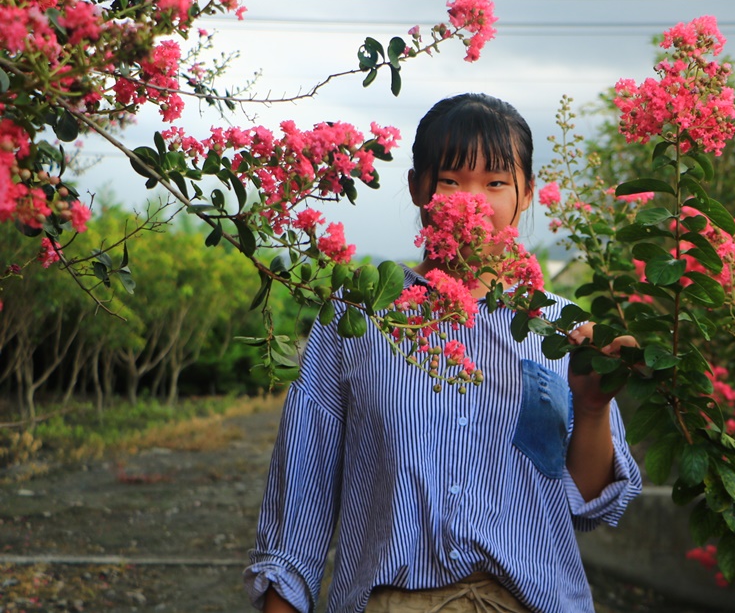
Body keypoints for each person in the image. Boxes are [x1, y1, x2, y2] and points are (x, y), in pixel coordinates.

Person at [244, 93, 642, 613]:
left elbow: (588, 506)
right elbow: (301, 491)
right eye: (451, 180)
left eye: (496, 183)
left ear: (526, 197)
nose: (470, 201)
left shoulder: (562, 331)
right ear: (417, 188)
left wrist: (593, 409)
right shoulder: (360, 316)